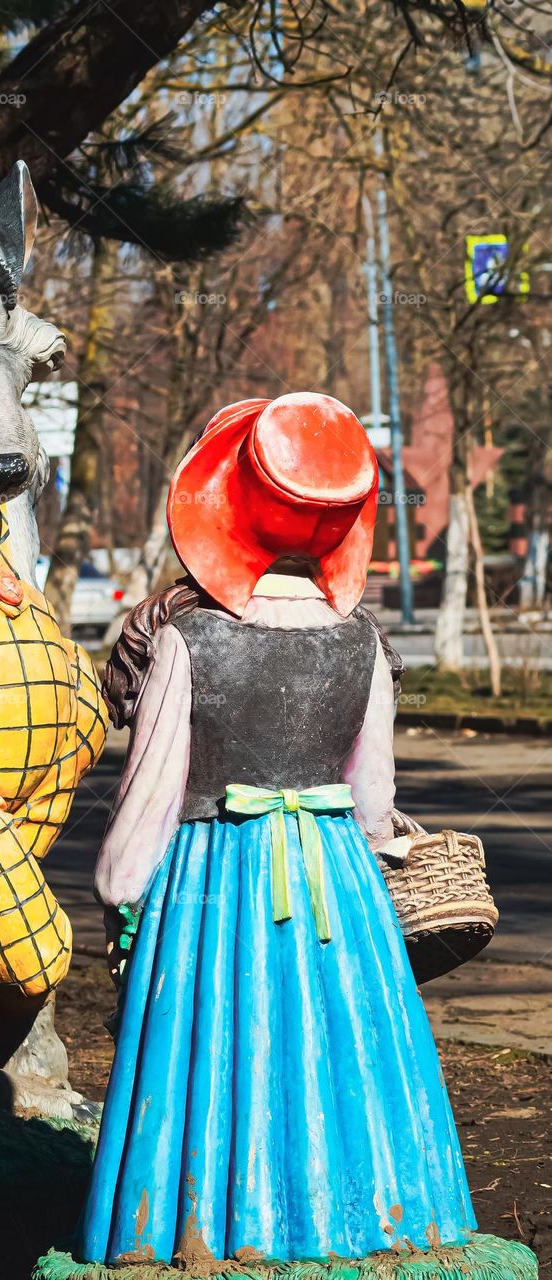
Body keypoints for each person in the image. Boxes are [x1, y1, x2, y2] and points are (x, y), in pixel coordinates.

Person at [73, 394, 476, 1269]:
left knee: (214, 1046)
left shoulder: (189, 640)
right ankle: (362, 1217)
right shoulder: (360, 638)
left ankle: (205, 1223)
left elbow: (149, 795)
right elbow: (374, 802)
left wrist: (120, 886)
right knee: (348, 1049)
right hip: (337, 880)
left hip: (215, 873)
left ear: (227, 506)